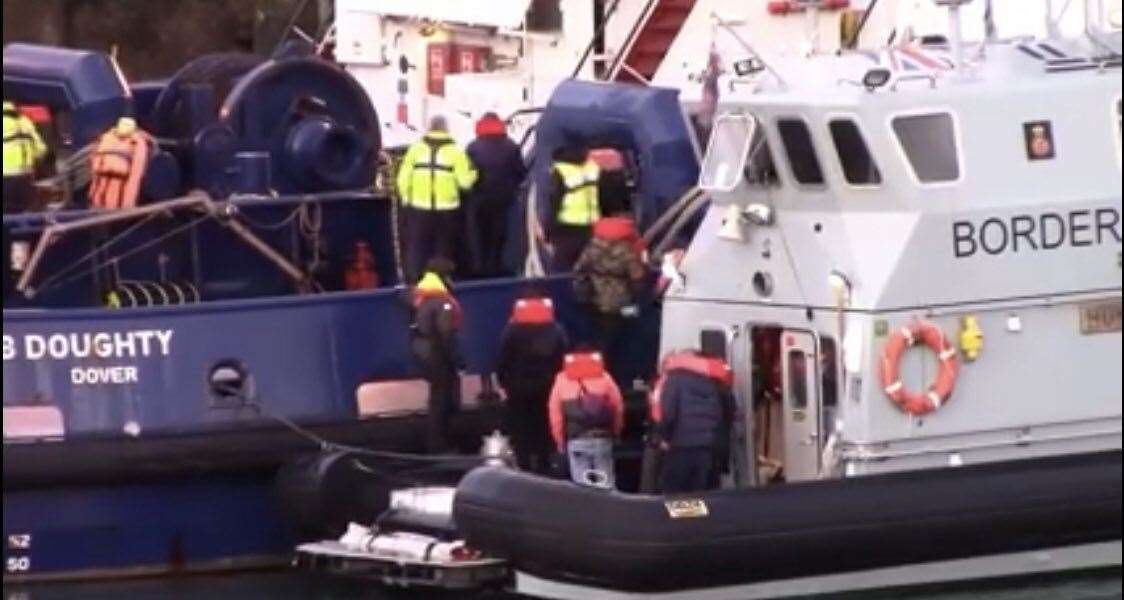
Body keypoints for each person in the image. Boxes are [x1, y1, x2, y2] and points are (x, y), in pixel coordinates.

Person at [397, 116, 477, 283]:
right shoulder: (456, 151)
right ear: (446, 129)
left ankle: (415, 281)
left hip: (419, 207)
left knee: (418, 248)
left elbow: (403, 178)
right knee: (443, 249)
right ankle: (441, 281)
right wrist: (474, 174)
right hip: (447, 208)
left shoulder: (416, 149)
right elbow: (464, 183)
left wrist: (406, 199)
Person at [495, 291, 569, 473]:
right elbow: (563, 358)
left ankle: (524, 466)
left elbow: (502, 360)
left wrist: (505, 383)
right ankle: (545, 465)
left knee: (521, 429)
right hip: (547, 387)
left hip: (518, 389)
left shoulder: (512, 331)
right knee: (545, 426)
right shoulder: (555, 330)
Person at [650, 348, 735, 494]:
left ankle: (684, 517)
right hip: (710, 447)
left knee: (676, 495)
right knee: (705, 495)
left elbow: (669, 412)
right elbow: (730, 409)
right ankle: (701, 517)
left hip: (682, 446)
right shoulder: (713, 378)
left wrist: (663, 437)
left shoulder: (675, 378)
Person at [408, 258, 464, 453]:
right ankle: (439, 444)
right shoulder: (441, 302)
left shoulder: (420, 296)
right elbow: (447, 333)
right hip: (438, 353)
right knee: (442, 399)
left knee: (438, 397)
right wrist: (459, 360)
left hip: (424, 349)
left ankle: (438, 442)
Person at [547, 349, 625, 489]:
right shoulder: (604, 377)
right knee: (606, 487)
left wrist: (559, 440)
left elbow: (555, 414)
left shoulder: (562, 380)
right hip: (602, 439)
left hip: (577, 441)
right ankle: (608, 510)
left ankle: (586, 510)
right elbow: (618, 406)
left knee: (582, 490)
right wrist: (616, 431)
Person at [572, 216, 647, 354]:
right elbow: (638, 277)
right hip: (621, 306)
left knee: (599, 339)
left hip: (597, 304)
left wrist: (584, 293)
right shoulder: (627, 251)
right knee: (633, 330)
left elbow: (579, 271)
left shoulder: (592, 247)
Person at [465, 112, 526, 278]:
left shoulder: (473, 147)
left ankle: (480, 270)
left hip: (479, 200)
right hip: (504, 200)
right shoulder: (511, 146)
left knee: (480, 236)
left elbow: (466, 175)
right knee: (500, 237)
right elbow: (521, 173)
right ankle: (500, 270)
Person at [544, 144, 600, 272]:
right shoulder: (592, 167)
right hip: (591, 228)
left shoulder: (560, 171)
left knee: (560, 274)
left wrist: (548, 231)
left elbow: (554, 202)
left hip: (566, 230)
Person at [89, 117, 153, 210]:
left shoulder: (137, 144)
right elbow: (95, 168)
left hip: (118, 199)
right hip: (98, 196)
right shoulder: (106, 138)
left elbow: (135, 177)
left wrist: (127, 205)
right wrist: (92, 193)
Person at [3, 101, 48, 214]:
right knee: (21, 213)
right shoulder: (25, 121)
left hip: (5, 177)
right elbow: (41, 150)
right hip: (25, 177)